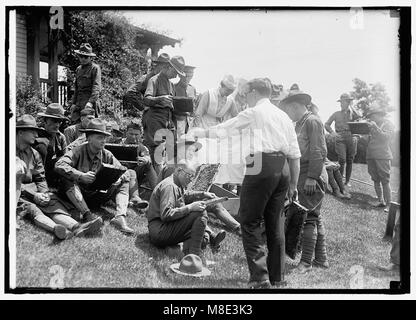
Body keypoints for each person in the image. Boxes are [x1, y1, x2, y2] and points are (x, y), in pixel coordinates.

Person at [193, 78, 301, 289]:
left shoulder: (254, 113)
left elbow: (226, 128)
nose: (244, 97)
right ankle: (277, 277)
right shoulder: (284, 116)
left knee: (250, 221)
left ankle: (260, 278)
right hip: (284, 167)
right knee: (275, 224)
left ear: (253, 92)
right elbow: (295, 154)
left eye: (245, 93)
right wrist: (293, 185)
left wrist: (201, 133)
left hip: (259, 164)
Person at [16, 115, 102, 239]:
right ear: (21, 132)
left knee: (52, 203)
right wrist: (33, 195)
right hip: (16, 194)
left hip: (35, 191)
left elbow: (40, 178)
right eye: (33, 131)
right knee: (33, 209)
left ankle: (77, 227)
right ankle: (56, 229)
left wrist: (44, 193)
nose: (36, 135)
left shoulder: (34, 154)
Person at [279, 88, 329, 274]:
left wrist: (312, 178)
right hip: (303, 174)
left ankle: (306, 262)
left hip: (311, 175)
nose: (287, 114)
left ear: (294, 106)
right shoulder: (300, 123)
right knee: (315, 216)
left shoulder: (312, 121)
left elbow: (319, 151)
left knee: (308, 218)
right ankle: (321, 259)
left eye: (288, 110)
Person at [55, 118, 134, 234]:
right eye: (99, 137)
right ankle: (87, 215)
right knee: (67, 179)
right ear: (89, 138)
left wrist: (119, 177)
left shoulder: (107, 154)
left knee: (125, 180)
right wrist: (81, 175)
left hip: (96, 195)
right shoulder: (78, 151)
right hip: (77, 195)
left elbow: (124, 170)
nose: (103, 141)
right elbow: (59, 164)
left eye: (105, 138)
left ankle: (120, 216)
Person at [147, 160, 226, 258]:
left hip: (164, 228)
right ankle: (194, 255)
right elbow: (166, 214)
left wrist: (203, 194)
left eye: (193, 176)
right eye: (189, 175)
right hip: (160, 231)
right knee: (200, 213)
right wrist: (190, 207)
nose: (191, 180)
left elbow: (184, 195)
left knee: (203, 237)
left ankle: (176, 249)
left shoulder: (176, 183)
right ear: (179, 171)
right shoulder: (170, 186)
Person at [142, 55, 186, 174]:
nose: (176, 76)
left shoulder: (171, 84)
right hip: (155, 119)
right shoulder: (154, 80)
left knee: (169, 154)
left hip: (168, 120)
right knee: (157, 154)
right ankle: (158, 184)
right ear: (167, 67)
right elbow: (146, 99)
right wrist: (160, 99)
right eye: (175, 72)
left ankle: (164, 179)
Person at [325, 93, 361, 186]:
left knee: (350, 160)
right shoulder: (336, 114)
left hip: (352, 137)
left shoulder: (353, 113)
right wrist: (333, 133)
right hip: (340, 138)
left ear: (348, 102)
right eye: (340, 102)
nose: (341, 104)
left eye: (343, 102)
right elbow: (326, 124)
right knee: (342, 159)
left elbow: (359, 116)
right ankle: (340, 179)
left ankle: (347, 181)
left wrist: (351, 106)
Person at [365, 102, 395, 209]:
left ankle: (388, 204)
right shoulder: (372, 124)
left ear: (380, 114)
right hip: (371, 155)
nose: (372, 117)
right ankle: (381, 201)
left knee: (385, 180)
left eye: (373, 115)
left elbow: (386, 137)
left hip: (383, 155)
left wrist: (376, 128)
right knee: (375, 179)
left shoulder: (389, 124)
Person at [33, 103, 68, 188]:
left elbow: (65, 160)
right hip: (37, 176)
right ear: (45, 120)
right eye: (53, 120)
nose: (57, 125)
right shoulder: (36, 136)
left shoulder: (60, 137)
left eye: (59, 121)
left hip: (54, 176)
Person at [70, 43, 102, 123]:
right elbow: (76, 88)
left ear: (91, 58)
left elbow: (96, 87)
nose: (83, 59)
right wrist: (74, 103)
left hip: (89, 102)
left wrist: (90, 102)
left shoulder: (95, 68)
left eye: (86, 57)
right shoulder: (78, 69)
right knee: (76, 124)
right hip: (79, 102)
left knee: (91, 125)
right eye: (81, 56)